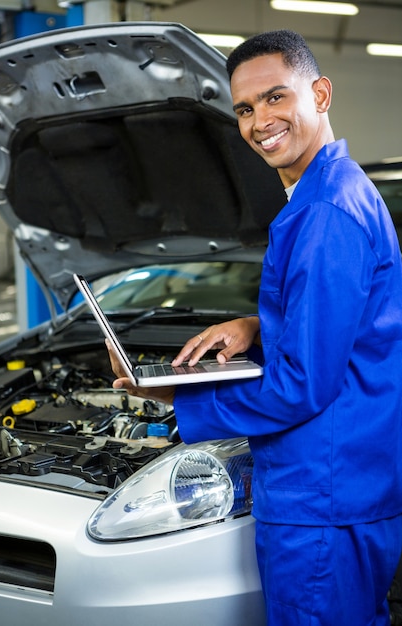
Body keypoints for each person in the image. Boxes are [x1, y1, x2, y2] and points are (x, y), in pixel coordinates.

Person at [108, 30, 402, 625]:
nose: (258, 121)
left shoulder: (324, 212)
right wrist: (255, 324)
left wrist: (175, 397)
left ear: (319, 93)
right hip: (348, 481)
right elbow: (361, 319)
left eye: (275, 98)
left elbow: (301, 386)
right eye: (244, 109)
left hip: (320, 494)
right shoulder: (334, 191)